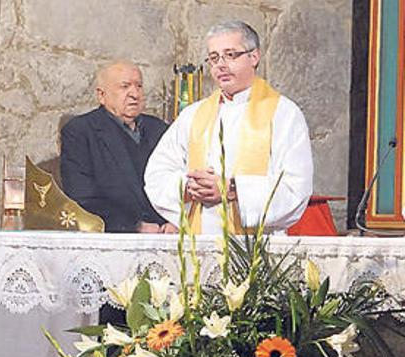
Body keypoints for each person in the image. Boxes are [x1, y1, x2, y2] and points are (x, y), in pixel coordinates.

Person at [144, 21, 313, 234]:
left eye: (230, 55)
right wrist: (189, 188)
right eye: (214, 58)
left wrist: (232, 190)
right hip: (198, 245)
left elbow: (295, 187)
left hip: (256, 249)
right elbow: (157, 173)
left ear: (254, 57)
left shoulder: (283, 114)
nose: (220, 65)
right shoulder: (193, 115)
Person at [61, 61, 175, 234]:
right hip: (115, 235)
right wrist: (134, 227)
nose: (134, 94)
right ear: (101, 95)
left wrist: (175, 221)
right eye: (125, 86)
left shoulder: (160, 129)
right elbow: (81, 196)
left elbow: (177, 180)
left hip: (166, 234)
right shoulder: (81, 132)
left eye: (139, 86)